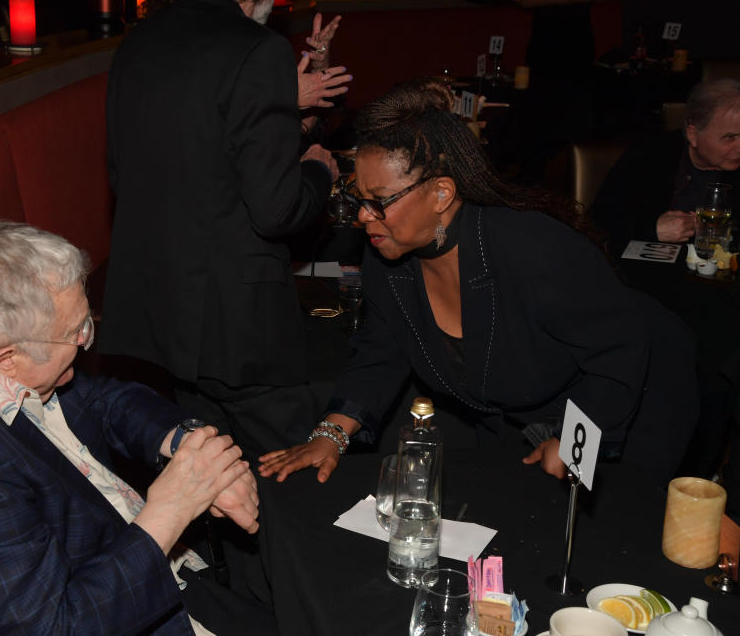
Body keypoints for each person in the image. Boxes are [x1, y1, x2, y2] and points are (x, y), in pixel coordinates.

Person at [258, 79, 699, 487]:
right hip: (520, 416)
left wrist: (573, 437)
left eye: (380, 202)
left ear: (441, 194)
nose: (362, 216)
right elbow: (382, 350)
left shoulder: (536, 251)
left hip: (632, 400)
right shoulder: (388, 254)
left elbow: (619, 350)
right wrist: (332, 433)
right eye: (359, 199)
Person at [0, 222, 271, 635]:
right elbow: (54, 627)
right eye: (74, 333)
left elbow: (103, 400)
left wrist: (189, 444)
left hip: (136, 560)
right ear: (7, 358)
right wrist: (171, 508)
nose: (85, 342)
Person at [101, 0, 346, 463]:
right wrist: (318, 172)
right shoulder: (258, 49)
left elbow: (140, 173)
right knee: (289, 478)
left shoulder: (137, 42)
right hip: (238, 327)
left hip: (165, 315)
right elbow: (278, 211)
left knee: (213, 475)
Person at [591, 78, 740, 258]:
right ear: (693, 134)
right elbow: (596, 224)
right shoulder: (649, 158)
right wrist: (652, 229)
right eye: (730, 137)